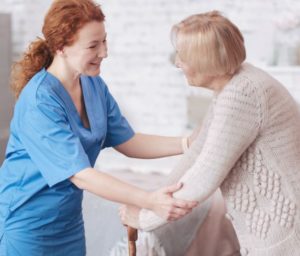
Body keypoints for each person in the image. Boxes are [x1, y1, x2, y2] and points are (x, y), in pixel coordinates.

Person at [0, 1, 199, 255]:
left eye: (104, 41)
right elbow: (80, 174)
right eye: (93, 45)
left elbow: (128, 141)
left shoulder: (94, 86)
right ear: (61, 47)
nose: (104, 52)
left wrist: (188, 144)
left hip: (68, 225)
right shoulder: (39, 101)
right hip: (27, 227)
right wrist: (149, 200)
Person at [120, 11, 300, 256]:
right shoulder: (234, 86)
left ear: (204, 60)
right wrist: (151, 200)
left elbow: (204, 176)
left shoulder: (242, 95)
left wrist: (145, 217)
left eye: (183, 56)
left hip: (283, 235)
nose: (178, 63)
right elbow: (196, 154)